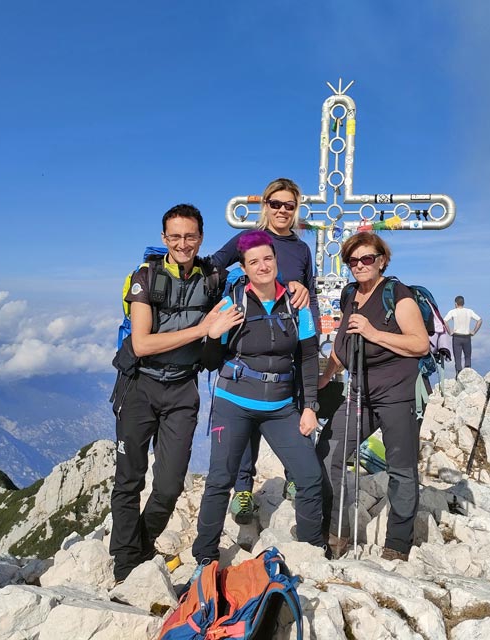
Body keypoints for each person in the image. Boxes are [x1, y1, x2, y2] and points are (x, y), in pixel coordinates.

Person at [109, 203, 227, 583]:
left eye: (190, 236)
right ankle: (126, 565)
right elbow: (142, 344)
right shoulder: (145, 278)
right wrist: (202, 329)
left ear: (201, 238)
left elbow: (252, 251)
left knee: (171, 484)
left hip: (182, 389)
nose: (182, 243)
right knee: (129, 479)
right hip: (140, 386)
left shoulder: (212, 278)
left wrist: (292, 283)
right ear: (164, 239)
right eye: (174, 236)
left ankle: (139, 546)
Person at [192, 230, 326, 565]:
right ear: (244, 268)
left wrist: (310, 407)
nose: (262, 266)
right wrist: (213, 335)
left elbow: (308, 357)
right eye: (254, 261)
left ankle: (311, 552)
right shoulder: (231, 303)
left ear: (276, 261)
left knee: (310, 478)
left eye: (268, 259)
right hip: (233, 402)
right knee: (221, 481)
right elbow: (209, 362)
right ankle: (205, 559)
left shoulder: (298, 305)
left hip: (281, 407)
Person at [209, 177, 318, 524]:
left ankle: (293, 479)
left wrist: (307, 320)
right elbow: (214, 265)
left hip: (290, 335)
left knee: (292, 405)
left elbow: (309, 292)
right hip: (249, 334)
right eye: (276, 204)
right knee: (246, 411)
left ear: (296, 208)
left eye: (289, 205)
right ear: (265, 206)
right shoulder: (249, 241)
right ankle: (243, 488)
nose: (283, 210)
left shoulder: (301, 249)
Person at [317, 232, 429, 562]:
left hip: (397, 395)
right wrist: (326, 376)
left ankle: (397, 546)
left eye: (367, 258)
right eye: (353, 260)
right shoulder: (350, 294)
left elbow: (419, 344)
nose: (360, 265)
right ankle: (338, 532)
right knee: (329, 453)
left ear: (382, 260)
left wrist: (373, 332)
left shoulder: (398, 294)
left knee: (402, 469)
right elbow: (344, 343)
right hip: (358, 394)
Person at [443, 295, 482, 373]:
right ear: (463, 303)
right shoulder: (469, 311)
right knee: (467, 356)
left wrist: (449, 331)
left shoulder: (453, 311)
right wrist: (474, 331)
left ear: (456, 303)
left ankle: (459, 374)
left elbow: (444, 321)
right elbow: (480, 320)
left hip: (457, 336)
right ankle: (468, 374)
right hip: (467, 336)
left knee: (458, 358)